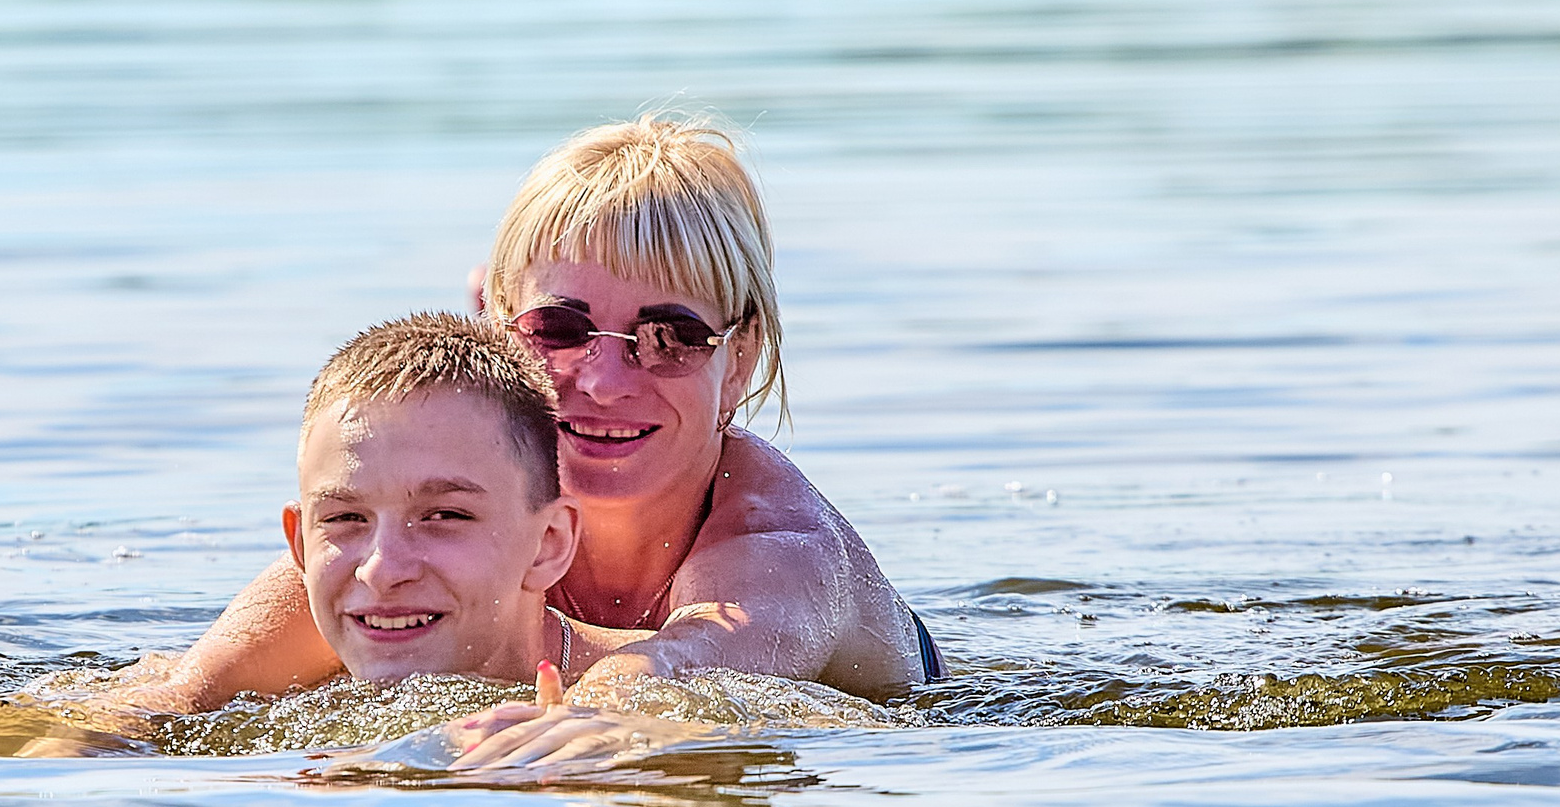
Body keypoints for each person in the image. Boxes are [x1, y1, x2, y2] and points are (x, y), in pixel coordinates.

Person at [85, 115, 939, 736]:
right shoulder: (434, 522)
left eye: (673, 336)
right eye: (559, 330)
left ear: (741, 357)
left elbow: (677, 679)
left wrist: (560, 733)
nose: (604, 381)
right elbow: (171, 703)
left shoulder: (779, 548)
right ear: (496, 321)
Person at [7, 311, 710, 771]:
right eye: (344, 520)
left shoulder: (664, 692)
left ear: (550, 542)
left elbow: (783, 732)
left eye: (445, 516)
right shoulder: (271, 702)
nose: (383, 569)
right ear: (298, 543)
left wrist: (636, 738)